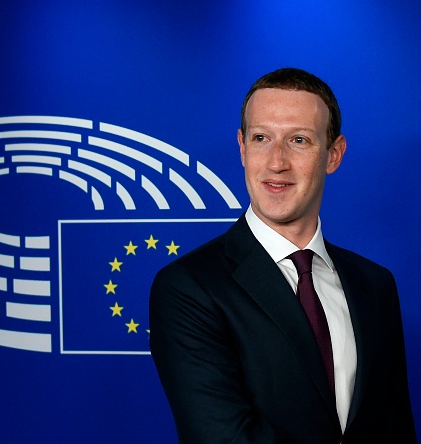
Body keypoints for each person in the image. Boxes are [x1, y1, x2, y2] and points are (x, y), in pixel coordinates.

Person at [149, 67, 417, 443]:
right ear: (242, 148)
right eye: (261, 138)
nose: (276, 162)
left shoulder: (374, 284)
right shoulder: (189, 286)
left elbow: (395, 427)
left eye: (299, 140)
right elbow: (223, 437)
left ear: (333, 154)